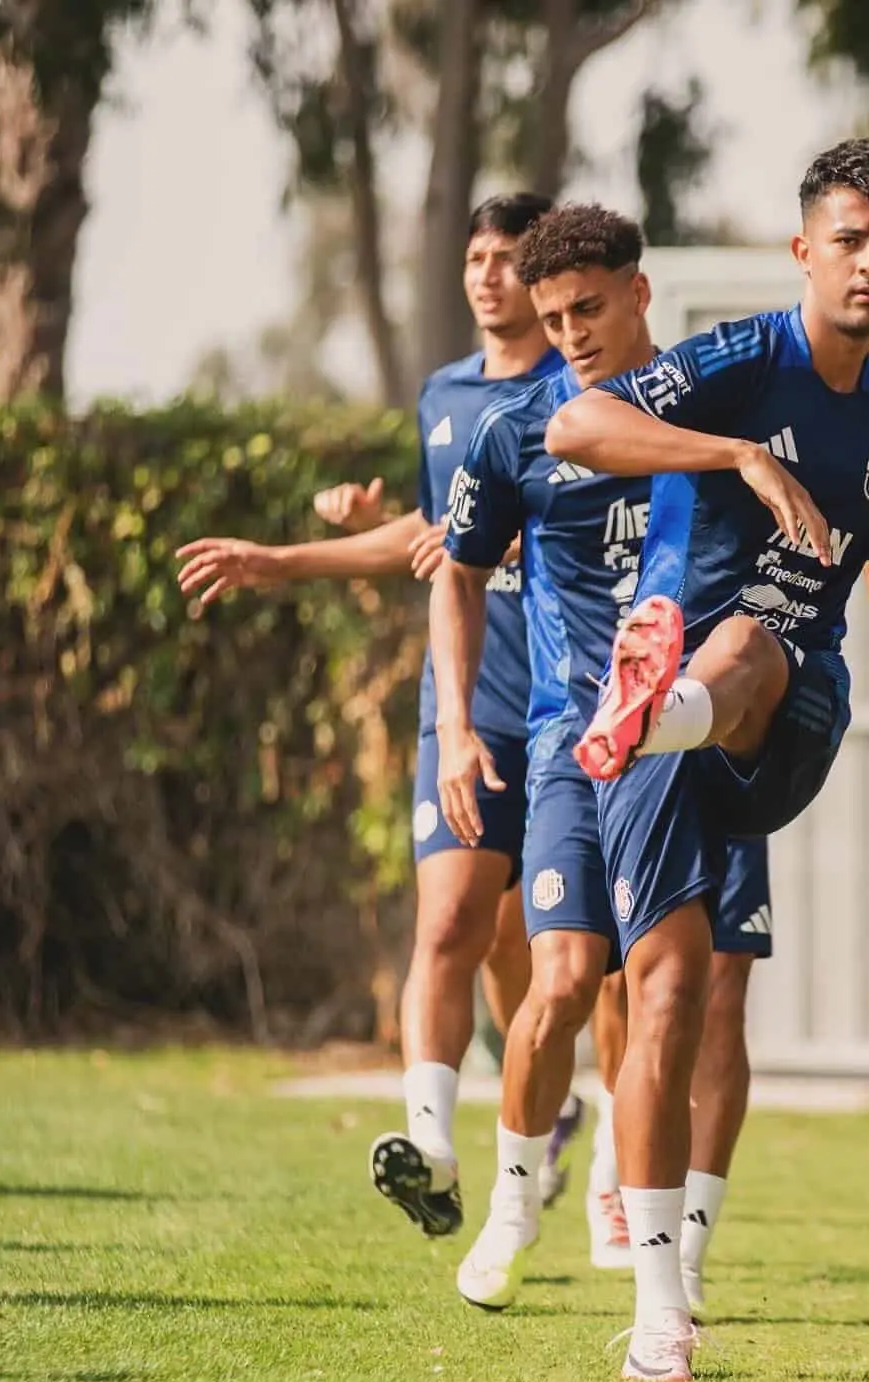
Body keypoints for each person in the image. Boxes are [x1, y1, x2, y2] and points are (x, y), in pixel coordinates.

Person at [542, 138, 869, 1381]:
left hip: (789, 712)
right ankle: (662, 1302)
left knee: (757, 639)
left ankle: (661, 704)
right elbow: (575, 421)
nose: (866, 261)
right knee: (666, 994)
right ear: (803, 250)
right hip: (663, 730)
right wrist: (735, 452)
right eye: (846, 238)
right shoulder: (740, 356)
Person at [176, 193, 565, 1240]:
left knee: (545, 953)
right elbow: (437, 539)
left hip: (571, 706)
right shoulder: (444, 394)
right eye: (476, 257)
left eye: (508, 259)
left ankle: (571, 1120)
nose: (487, 275)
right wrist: (286, 558)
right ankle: (433, 1146)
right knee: (448, 920)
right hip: (469, 698)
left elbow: (526, 536)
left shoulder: (582, 391)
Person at [428, 203, 770, 1337]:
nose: (571, 330)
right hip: (574, 747)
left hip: (692, 745)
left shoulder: (719, 402)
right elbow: (457, 571)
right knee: (565, 982)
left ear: (640, 292)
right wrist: (461, 724)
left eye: (589, 307)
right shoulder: (515, 427)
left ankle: (675, 1248)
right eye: (553, 314)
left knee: (696, 992)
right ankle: (515, 1204)